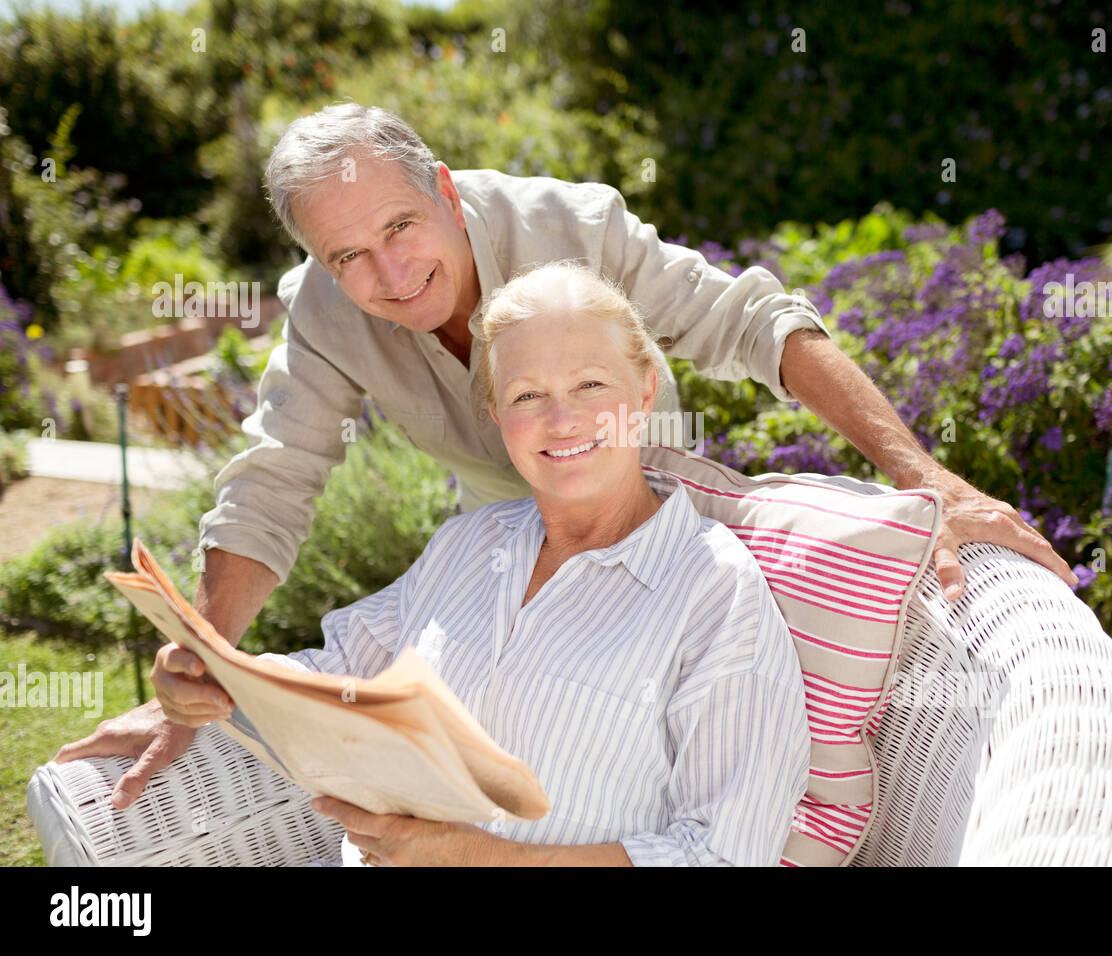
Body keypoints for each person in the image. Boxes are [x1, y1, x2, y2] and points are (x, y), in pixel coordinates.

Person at [55, 103, 1076, 810]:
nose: (387, 271)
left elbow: (750, 321)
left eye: (402, 226)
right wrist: (207, 655)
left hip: (646, 500)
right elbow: (277, 470)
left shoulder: (568, 226)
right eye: (345, 255)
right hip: (510, 534)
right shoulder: (326, 311)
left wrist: (924, 477)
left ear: (446, 191)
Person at [218, 262, 812, 865]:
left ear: (644, 391)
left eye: (590, 385)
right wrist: (213, 677)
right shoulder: (468, 546)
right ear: (499, 417)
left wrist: (473, 855)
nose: (562, 420)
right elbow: (335, 672)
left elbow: (722, 856)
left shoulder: (712, 590)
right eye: (528, 395)